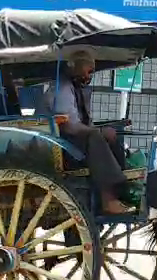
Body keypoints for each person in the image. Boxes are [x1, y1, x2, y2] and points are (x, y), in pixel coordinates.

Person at [49, 50, 135, 215]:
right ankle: (108, 199)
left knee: (111, 135)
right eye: (89, 71)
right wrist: (99, 131)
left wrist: (105, 130)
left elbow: (86, 123)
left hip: (71, 142)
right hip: (58, 145)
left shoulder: (78, 89)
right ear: (76, 68)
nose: (90, 76)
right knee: (96, 137)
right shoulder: (62, 89)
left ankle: (123, 190)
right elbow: (70, 126)